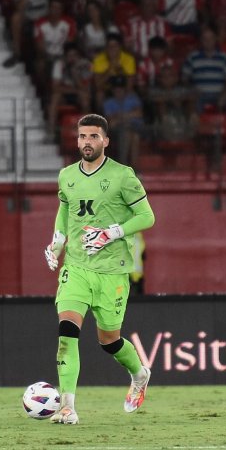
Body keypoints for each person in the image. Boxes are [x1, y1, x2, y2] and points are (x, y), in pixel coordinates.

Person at [42, 113, 155, 425]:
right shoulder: (66, 175)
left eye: (93, 137)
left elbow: (147, 217)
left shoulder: (123, 176)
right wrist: (58, 240)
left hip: (112, 271)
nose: (86, 142)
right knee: (67, 333)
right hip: (76, 267)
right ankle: (67, 407)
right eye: (82, 136)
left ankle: (139, 374)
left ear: (106, 140)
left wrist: (111, 233)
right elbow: (65, 209)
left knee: (109, 341)